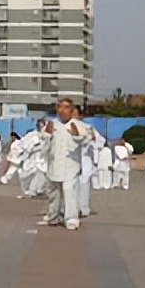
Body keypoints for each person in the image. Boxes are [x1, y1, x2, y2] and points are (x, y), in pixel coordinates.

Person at [41, 98, 88, 230]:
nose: (63, 111)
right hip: (54, 164)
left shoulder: (79, 125)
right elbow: (43, 144)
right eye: (60, 107)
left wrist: (76, 135)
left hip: (70, 165)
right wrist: (47, 134)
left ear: (72, 110)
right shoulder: (51, 124)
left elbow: (86, 142)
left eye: (67, 107)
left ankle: (71, 219)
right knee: (53, 193)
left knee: (69, 191)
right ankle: (53, 217)